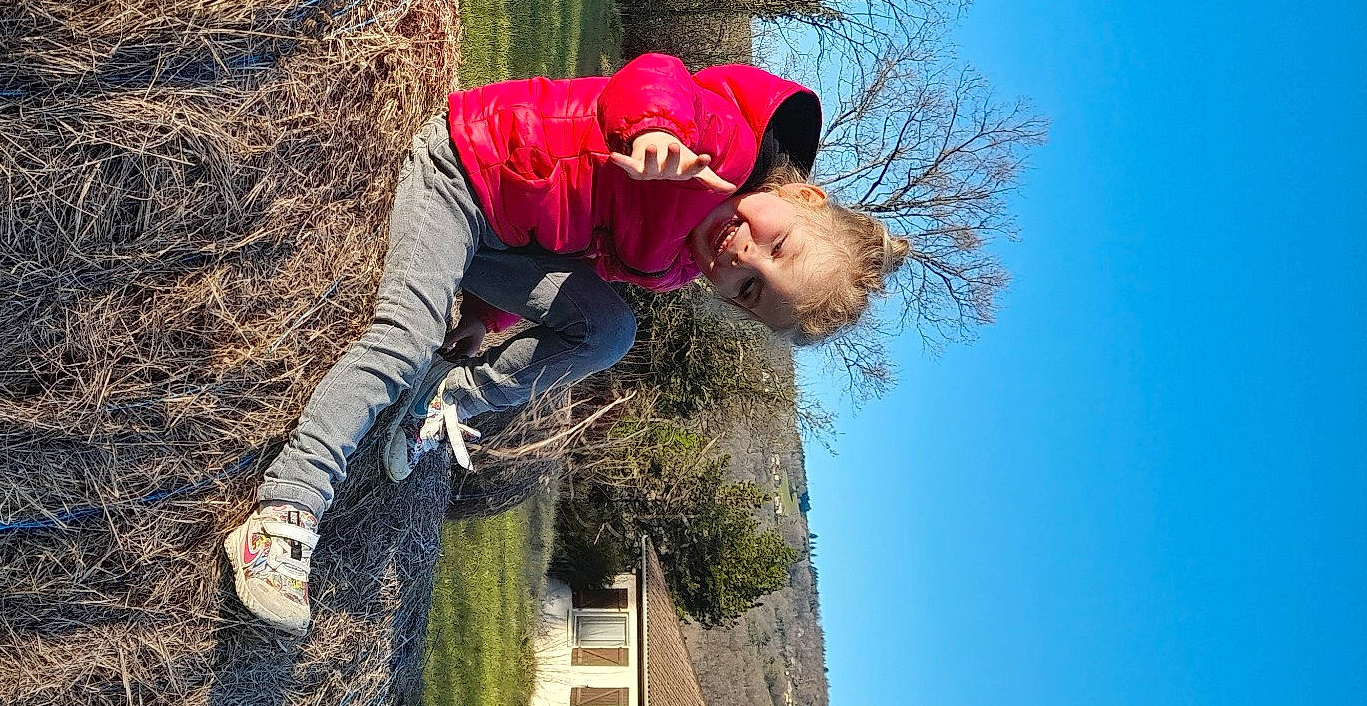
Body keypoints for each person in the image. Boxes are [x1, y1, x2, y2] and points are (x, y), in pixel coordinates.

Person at [223, 52, 908, 634]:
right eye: (777, 242)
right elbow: (657, 76)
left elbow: (572, 251)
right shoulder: (722, 147)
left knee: (611, 329)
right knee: (403, 338)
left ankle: (448, 398)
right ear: (807, 199)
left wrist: (487, 315)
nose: (742, 257)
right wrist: (658, 129)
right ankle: (287, 508)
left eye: (751, 289)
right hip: (465, 170)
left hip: (497, 237)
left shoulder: (674, 265)